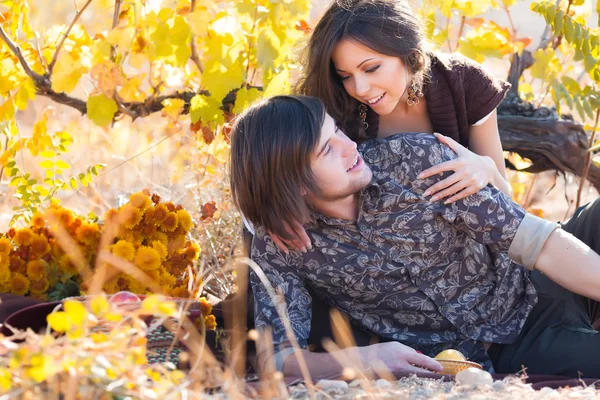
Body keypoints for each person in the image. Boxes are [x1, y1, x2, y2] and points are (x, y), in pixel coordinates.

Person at [229, 95, 600, 379]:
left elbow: (535, 242)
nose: (350, 146)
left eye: (337, 131)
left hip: (533, 281)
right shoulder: (281, 245)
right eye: (327, 149)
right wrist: (365, 359)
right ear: (291, 184)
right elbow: (274, 358)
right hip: (511, 347)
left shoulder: (412, 158)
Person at [273, 0, 512, 253]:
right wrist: (275, 209)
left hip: (468, 251)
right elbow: (269, 166)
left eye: (371, 68)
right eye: (345, 76)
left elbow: (506, 201)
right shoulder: (334, 107)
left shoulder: (465, 83)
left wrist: (487, 168)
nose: (360, 88)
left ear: (410, 53)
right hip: (377, 263)